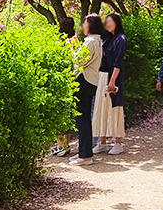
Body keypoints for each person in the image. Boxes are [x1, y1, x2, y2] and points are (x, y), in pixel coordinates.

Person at [69, 15, 104, 166]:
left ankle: (85, 155)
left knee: (81, 119)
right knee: (84, 119)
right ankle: (84, 152)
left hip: (84, 81)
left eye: (85, 23)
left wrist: (72, 48)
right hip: (91, 81)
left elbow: (79, 60)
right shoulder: (96, 40)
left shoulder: (90, 41)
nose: (83, 26)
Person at [93, 13, 128, 155]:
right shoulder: (108, 38)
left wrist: (112, 80)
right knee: (101, 107)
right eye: (106, 22)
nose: (107, 24)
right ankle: (102, 141)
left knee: (115, 108)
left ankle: (118, 142)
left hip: (113, 76)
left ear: (117, 23)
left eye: (110, 22)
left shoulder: (121, 39)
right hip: (102, 76)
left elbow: (118, 62)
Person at [53, 17, 80, 157]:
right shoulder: (76, 41)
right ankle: (66, 145)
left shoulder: (60, 42)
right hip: (73, 79)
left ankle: (61, 145)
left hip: (61, 80)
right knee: (69, 113)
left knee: (59, 112)